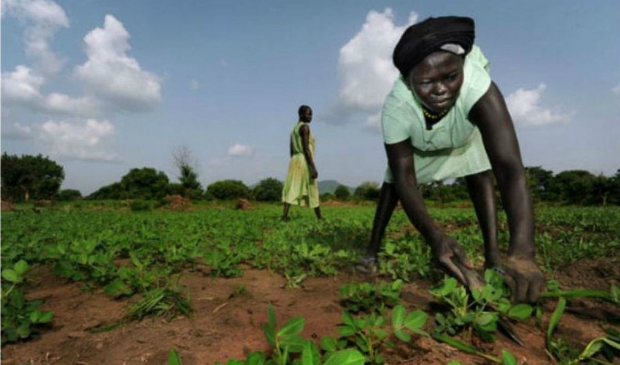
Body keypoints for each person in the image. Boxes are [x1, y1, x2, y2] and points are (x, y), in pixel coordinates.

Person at [356, 16, 545, 303]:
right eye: (426, 82)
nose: (441, 89)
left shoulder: (478, 88)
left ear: (462, 69)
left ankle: (493, 258)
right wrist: (435, 237)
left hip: (464, 136)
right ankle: (371, 251)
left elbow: (509, 169)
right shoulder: (397, 109)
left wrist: (522, 252)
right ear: (408, 82)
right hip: (420, 147)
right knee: (393, 182)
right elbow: (406, 179)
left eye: (450, 77)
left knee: (480, 174)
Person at [281, 105, 322, 221]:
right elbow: (306, 148)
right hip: (304, 159)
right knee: (312, 186)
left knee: (292, 186)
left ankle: (284, 215)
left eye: (311, 114)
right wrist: (312, 167)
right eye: (308, 114)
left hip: (294, 160)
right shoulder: (304, 127)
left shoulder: (294, 129)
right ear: (300, 114)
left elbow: (291, 149)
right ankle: (319, 217)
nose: (310, 117)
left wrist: (294, 161)